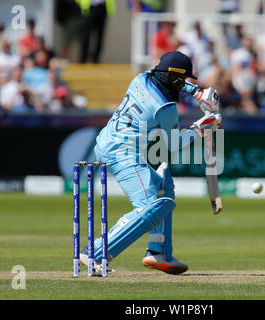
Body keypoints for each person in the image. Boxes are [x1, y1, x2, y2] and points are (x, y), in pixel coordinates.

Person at [79, 51, 222, 275]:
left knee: (164, 188)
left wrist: (198, 92)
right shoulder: (165, 108)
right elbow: (172, 145)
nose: (184, 85)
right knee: (152, 206)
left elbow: (173, 80)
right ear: (174, 78)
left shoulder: (142, 78)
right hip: (122, 152)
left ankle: (158, 252)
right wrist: (200, 128)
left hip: (108, 142)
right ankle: (94, 252)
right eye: (184, 80)